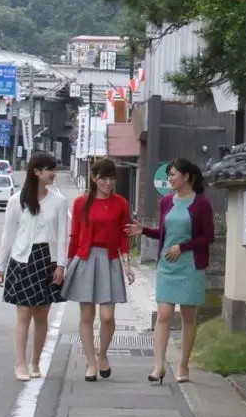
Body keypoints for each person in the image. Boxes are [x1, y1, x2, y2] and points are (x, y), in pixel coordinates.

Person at [129, 157, 214, 383]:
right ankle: (158, 366)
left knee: (188, 317)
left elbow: (208, 237)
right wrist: (144, 230)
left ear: (185, 176)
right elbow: (164, 234)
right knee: (164, 315)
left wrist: (183, 247)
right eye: (169, 175)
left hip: (190, 266)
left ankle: (183, 365)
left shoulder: (201, 203)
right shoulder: (166, 202)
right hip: (168, 264)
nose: (170, 179)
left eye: (173, 175)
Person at [0, 152, 68, 382]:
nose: (53, 173)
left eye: (53, 169)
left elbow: (64, 236)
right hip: (22, 259)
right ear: (36, 172)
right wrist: (1, 266)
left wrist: (61, 265)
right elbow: (9, 234)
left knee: (42, 315)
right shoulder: (17, 200)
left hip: (47, 259)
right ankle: (20, 364)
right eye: (49, 169)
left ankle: (36, 361)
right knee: (23, 313)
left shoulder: (59, 201)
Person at [65, 157, 137, 381]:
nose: (108, 183)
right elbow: (75, 236)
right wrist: (67, 265)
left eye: (111, 178)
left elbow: (124, 237)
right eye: (103, 178)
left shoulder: (121, 203)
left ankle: (102, 353)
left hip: (109, 260)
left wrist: (126, 265)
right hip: (85, 259)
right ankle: (90, 363)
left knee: (107, 316)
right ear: (94, 178)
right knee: (87, 315)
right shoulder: (80, 203)